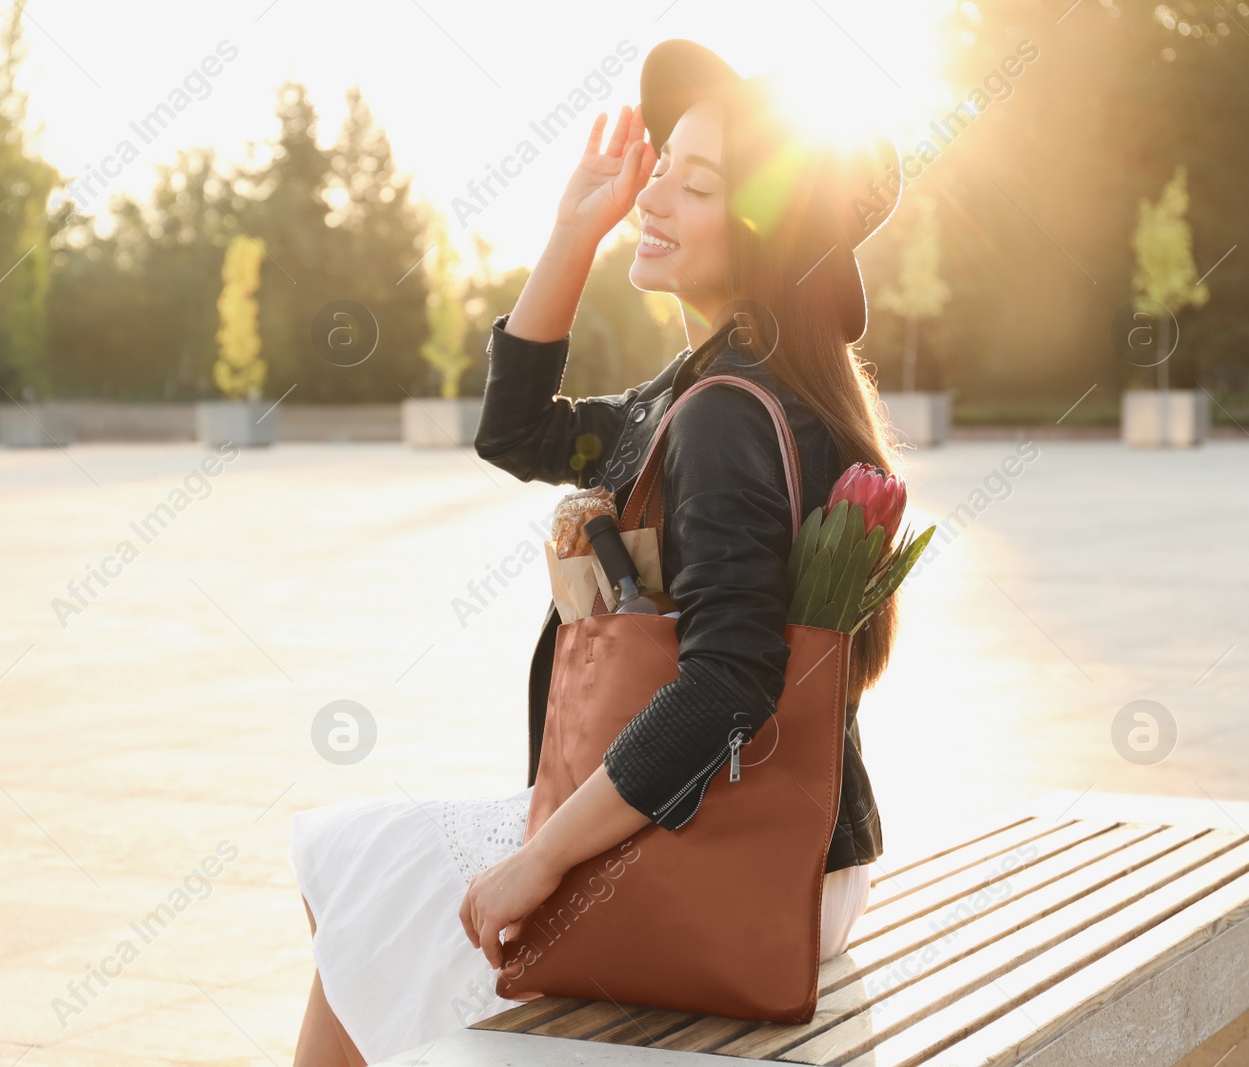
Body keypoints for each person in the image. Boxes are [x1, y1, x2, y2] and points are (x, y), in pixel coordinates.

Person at [289, 39, 904, 1067]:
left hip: (741, 866)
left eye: (692, 183)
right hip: (800, 850)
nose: (654, 193)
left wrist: (537, 861)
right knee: (365, 868)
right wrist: (577, 230)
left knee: (360, 869)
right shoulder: (714, 392)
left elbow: (725, 688)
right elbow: (519, 431)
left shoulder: (721, 416)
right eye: (662, 165)